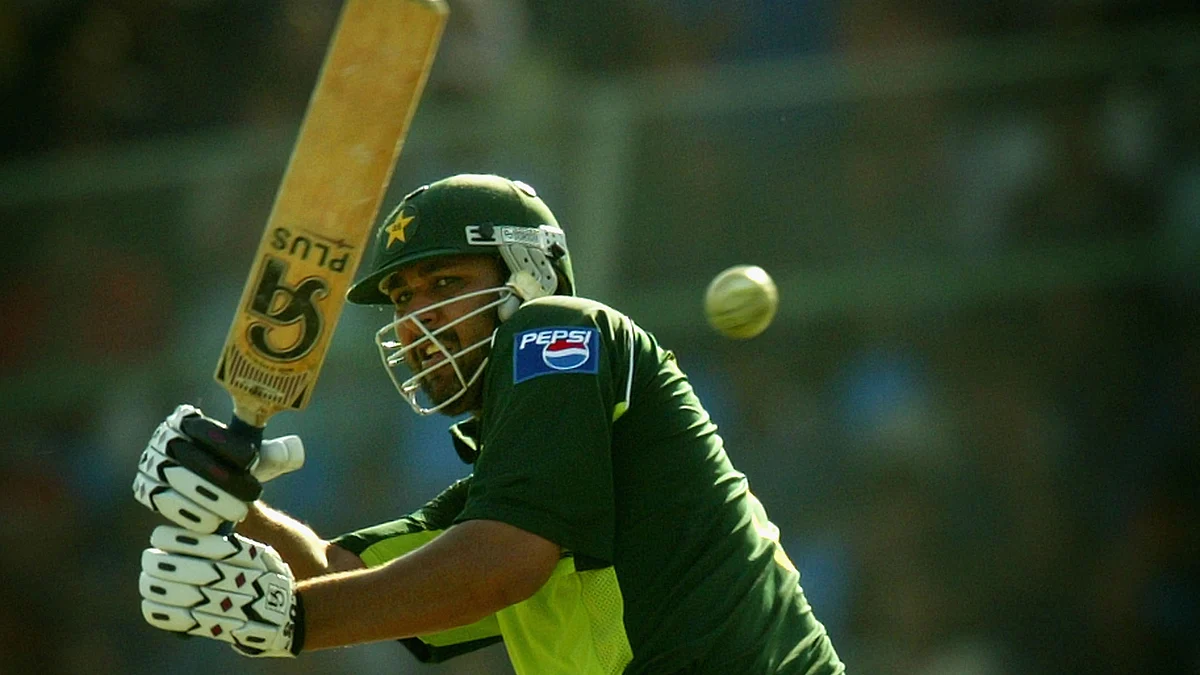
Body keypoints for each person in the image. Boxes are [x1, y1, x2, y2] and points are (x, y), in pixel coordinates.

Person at [133, 174, 845, 673]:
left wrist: (294, 621)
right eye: (405, 299)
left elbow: (501, 563)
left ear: (529, 275)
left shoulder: (560, 328)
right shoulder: (506, 492)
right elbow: (340, 574)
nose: (418, 319)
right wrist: (235, 504)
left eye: (446, 285)